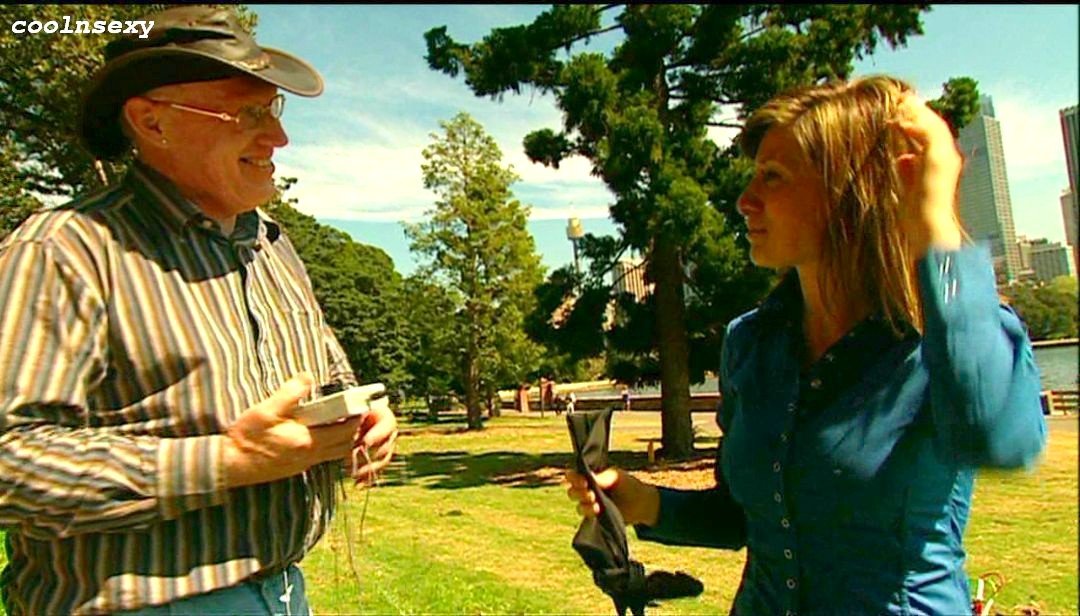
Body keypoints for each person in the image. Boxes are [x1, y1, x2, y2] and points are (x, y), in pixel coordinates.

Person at [566, 75, 1046, 616]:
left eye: (773, 177)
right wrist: (646, 502)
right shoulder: (751, 342)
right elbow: (753, 516)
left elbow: (1001, 436)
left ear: (849, 193)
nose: (745, 201)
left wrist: (933, 215)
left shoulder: (946, 337)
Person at [0, 6, 397, 615]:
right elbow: (11, 460)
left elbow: (329, 374)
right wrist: (226, 462)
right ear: (151, 122)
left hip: (284, 592)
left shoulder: (270, 244)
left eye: (274, 110)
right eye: (248, 114)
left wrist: (364, 415)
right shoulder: (63, 251)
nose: (279, 138)